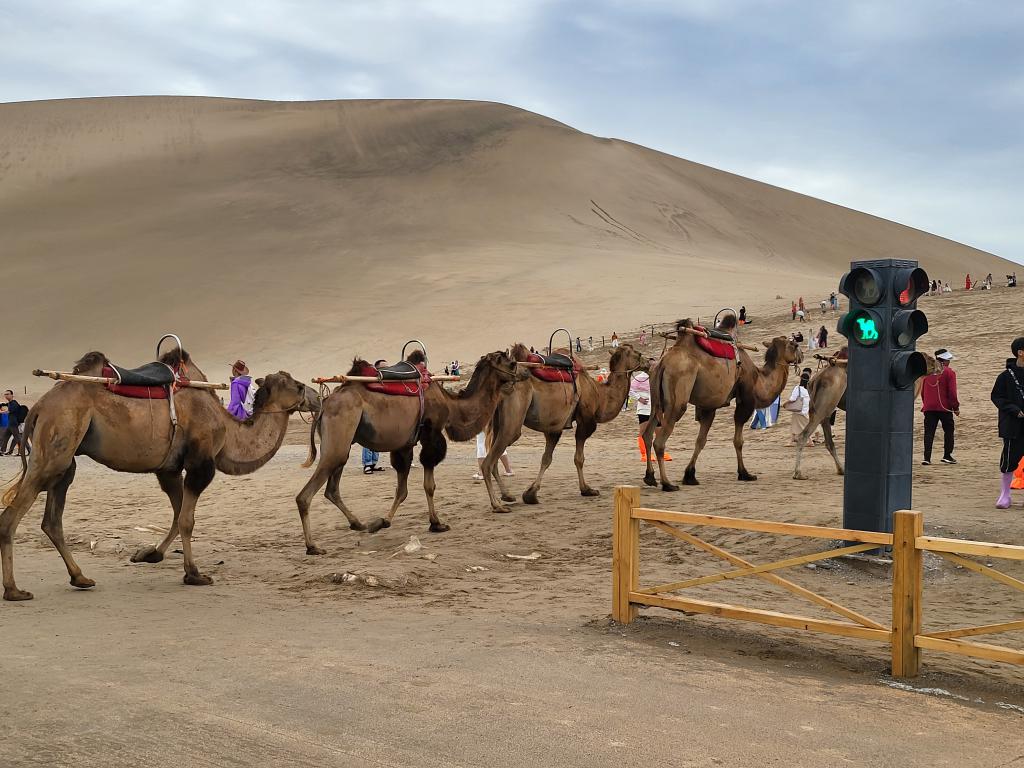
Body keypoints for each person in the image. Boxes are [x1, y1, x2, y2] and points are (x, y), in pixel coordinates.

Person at [991, 337, 1024, 508]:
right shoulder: (1005, 376)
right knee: (1009, 460)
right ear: (1020, 352)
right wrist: (1014, 410)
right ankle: (1005, 495)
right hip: (1013, 425)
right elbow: (996, 396)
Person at [920, 349, 960, 465]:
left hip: (929, 407)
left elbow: (923, 392)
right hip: (944, 408)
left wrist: (926, 404)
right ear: (944, 361)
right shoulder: (949, 372)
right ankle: (947, 455)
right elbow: (952, 392)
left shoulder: (927, 373)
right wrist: (955, 407)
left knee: (929, 433)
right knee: (948, 430)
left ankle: (926, 458)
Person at [631, 369, 671, 461]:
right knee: (644, 431)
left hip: (657, 409)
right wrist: (639, 398)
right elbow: (629, 388)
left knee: (659, 431)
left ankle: (661, 453)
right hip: (644, 409)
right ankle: (644, 454)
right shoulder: (640, 377)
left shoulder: (659, 377)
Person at [362, 359, 388, 473]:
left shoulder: (386, 380)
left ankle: (373, 463)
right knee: (368, 438)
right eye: (383, 367)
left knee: (377, 439)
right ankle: (367, 464)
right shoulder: (370, 380)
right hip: (369, 413)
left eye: (387, 367)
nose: (386, 369)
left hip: (381, 414)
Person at [783, 370, 813, 446]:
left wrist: (785, 403)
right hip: (805, 411)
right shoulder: (807, 390)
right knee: (805, 426)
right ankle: (809, 441)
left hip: (798, 411)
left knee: (795, 426)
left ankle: (792, 442)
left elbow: (792, 399)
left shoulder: (798, 388)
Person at [3, 390, 23, 455]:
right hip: (10, 424)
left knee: (17, 438)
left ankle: (21, 451)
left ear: (12, 395)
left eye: (7, 394)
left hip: (14, 424)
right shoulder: (9, 403)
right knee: (5, 437)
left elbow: (10, 411)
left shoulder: (14, 403)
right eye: (5, 394)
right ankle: (3, 451)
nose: (6, 396)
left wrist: (2, 412)